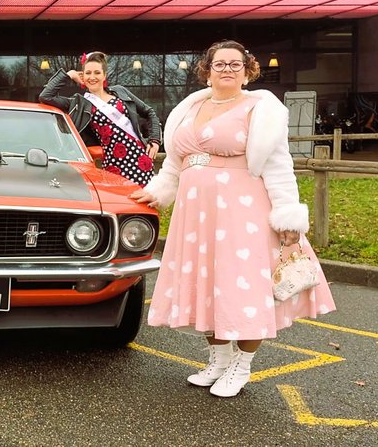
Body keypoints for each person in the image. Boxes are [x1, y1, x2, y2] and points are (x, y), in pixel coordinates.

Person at [130, 40, 336, 397]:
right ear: (207, 71)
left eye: (235, 64)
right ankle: (219, 360)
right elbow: (176, 163)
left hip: (243, 214)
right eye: (220, 64)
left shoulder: (261, 109)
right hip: (195, 218)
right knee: (206, 286)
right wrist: (158, 190)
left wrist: (288, 218)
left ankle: (242, 366)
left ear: (247, 71)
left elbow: (278, 166)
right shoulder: (189, 108)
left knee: (243, 287)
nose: (227, 69)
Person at [39, 51, 161, 186]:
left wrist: (155, 140)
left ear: (104, 75)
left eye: (97, 73)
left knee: (146, 199)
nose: (92, 77)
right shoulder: (79, 103)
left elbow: (149, 112)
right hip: (113, 166)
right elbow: (46, 96)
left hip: (141, 161)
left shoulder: (120, 91)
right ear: (82, 76)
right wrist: (70, 75)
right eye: (88, 73)